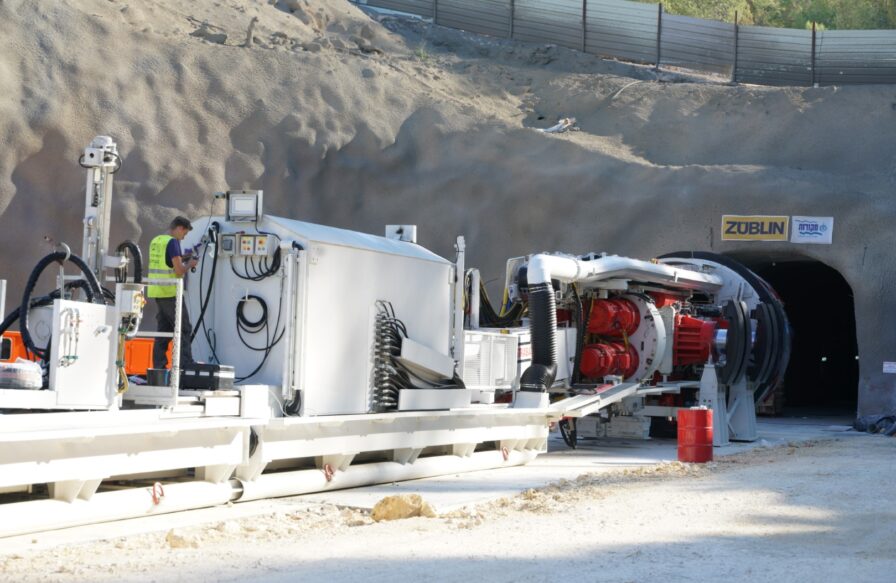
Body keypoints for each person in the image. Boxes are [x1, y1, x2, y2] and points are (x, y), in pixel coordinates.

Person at [147, 216, 199, 370]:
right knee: (184, 328)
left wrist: (181, 257)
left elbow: (166, 261)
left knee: (164, 331)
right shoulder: (173, 242)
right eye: (184, 234)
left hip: (158, 291)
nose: (183, 238)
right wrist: (190, 263)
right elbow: (178, 271)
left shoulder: (157, 240)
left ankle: (159, 368)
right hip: (170, 293)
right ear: (179, 228)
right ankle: (185, 365)